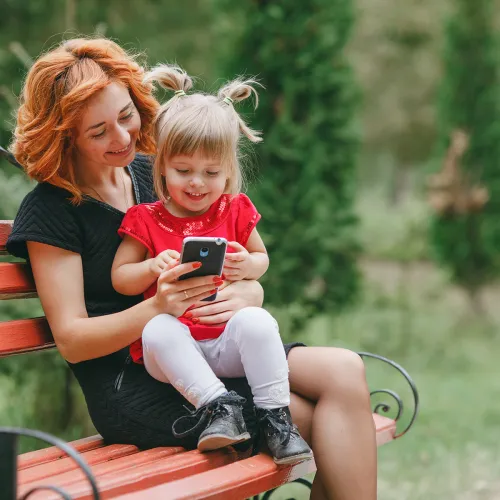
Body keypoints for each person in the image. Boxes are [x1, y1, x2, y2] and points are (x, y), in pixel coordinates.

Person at [6, 37, 377, 499]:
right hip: (136, 381)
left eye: (126, 117)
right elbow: (73, 340)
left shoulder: (155, 172)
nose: (122, 138)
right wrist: (157, 307)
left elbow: (229, 250)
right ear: (65, 135)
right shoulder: (52, 211)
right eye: (98, 132)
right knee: (311, 416)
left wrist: (248, 293)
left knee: (344, 372)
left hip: (207, 341)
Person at [111, 63, 313, 464]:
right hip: (174, 355)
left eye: (211, 172)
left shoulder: (234, 210)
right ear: (162, 167)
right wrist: (151, 268)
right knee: (156, 327)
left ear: (229, 171)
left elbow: (261, 259)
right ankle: (221, 408)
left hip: (224, 341)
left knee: (258, 321)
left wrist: (247, 266)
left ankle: (276, 418)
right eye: (183, 171)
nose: (197, 183)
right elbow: (121, 279)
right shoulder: (145, 219)